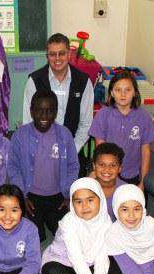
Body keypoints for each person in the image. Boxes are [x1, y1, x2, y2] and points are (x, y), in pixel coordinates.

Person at [42, 177, 123, 274]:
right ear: (72, 204)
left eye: (90, 200)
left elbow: (101, 254)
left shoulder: (106, 220)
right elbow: (76, 258)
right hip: (65, 262)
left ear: (100, 200)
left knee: (124, 262)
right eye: (78, 201)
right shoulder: (68, 222)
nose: (85, 206)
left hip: (92, 262)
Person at [8, 90, 79, 242]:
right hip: (31, 198)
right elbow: (13, 167)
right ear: (31, 111)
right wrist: (21, 196)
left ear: (56, 112)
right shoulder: (20, 135)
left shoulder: (64, 134)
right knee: (34, 238)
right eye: (39, 111)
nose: (44, 116)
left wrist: (69, 194)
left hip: (59, 197)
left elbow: (73, 165)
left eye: (49, 111)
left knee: (64, 235)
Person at [23, 33, 94, 174]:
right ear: (47, 56)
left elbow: (86, 124)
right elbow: (28, 122)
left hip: (73, 152)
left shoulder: (84, 81)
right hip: (41, 153)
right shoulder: (34, 81)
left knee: (72, 194)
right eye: (52, 54)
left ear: (69, 54)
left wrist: (71, 150)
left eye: (61, 53)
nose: (57, 59)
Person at [88, 70, 154, 190]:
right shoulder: (103, 114)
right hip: (108, 173)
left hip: (132, 174)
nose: (123, 94)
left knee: (133, 205)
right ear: (112, 93)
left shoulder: (144, 117)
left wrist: (143, 181)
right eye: (118, 90)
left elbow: (145, 151)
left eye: (128, 90)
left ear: (135, 93)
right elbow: (100, 150)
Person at [92, 142, 126, 222]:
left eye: (113, 165)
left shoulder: (126, 191)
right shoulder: (84, 189)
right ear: (94, 166)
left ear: (120, 168)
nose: (107, 169)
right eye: (102, 165)